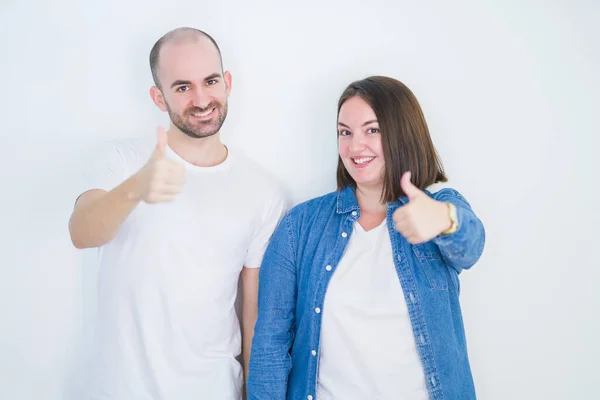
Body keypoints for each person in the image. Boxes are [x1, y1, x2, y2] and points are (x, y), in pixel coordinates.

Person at [68, 27, 286, 400]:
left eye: (211, 81)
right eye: (183, 87)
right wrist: (136, 188)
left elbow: (252, 315)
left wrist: (255, 392)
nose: (202, 99)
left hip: (214, 389)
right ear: (159, 96)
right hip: (120, 390)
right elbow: (82, 232)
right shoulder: (122, 162)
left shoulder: (263, 192)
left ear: (227, 82)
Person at [247, 76, 485, 400]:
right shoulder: (299, 228)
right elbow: (271, 344)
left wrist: (445, 219)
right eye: (345, 132)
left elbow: (471, 245)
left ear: (402, 133)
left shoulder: (438, 209)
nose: (355, 146)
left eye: (372, 130)